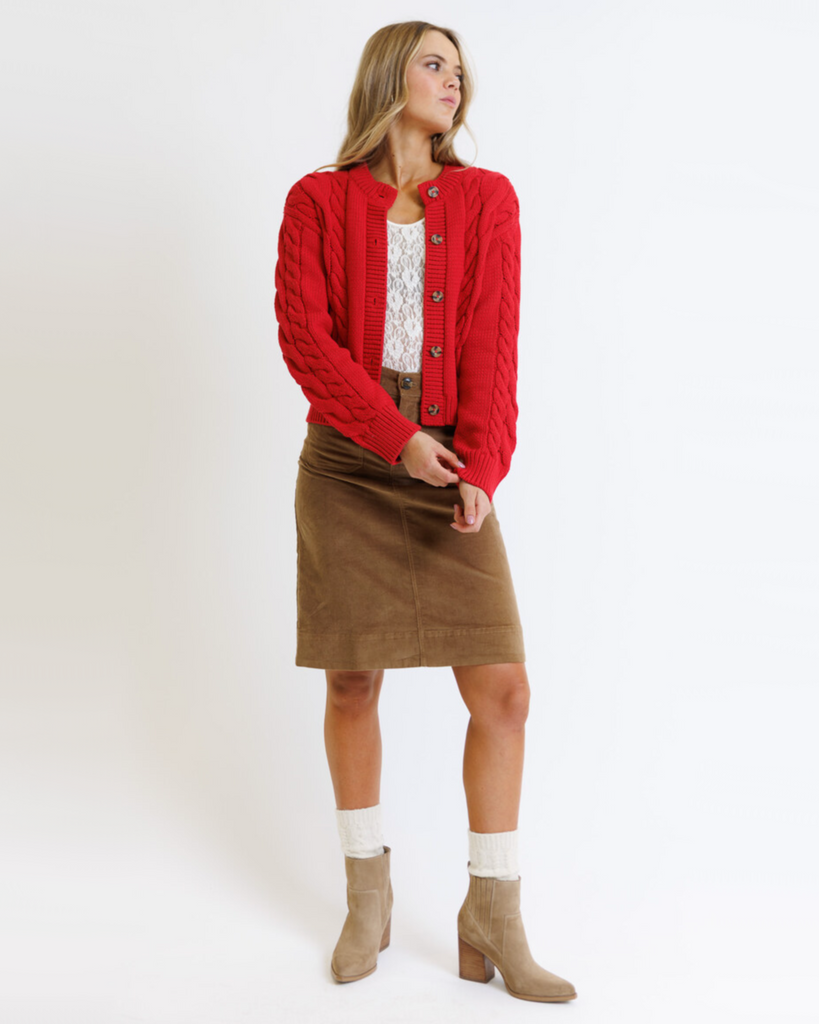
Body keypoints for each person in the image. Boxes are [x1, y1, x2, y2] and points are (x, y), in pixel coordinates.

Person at [274, 21, 576, 1003]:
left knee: (505, 690)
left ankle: (494, 907)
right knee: (352, 681)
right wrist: (390, 434)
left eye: (460, 68)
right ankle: (368, 895)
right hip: (350, 465)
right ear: (387, 78)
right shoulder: (316, 201)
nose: (456, 80)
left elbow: (496, 343)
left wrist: (482, 462)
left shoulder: (488, 200)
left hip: (451, 461)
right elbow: (307, 344)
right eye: (436, 62)